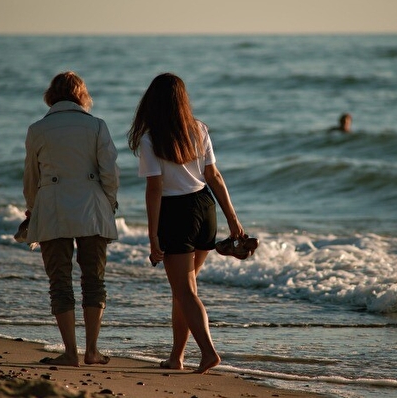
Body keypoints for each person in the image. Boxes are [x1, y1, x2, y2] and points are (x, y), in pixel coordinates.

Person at [128, 73, 245, 374]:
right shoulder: (199, 129)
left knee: (185, 291)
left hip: (176, 212)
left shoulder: (151, 138)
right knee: (184, 290)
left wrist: (152, 236)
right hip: (205, 209)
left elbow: (154, 189)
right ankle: (176, 357)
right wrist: (232, 219)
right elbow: (214, 176)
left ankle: (208, 352)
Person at [23, 71, 119, 367]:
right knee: (94, 280)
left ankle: (70, 352)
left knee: (60, 282)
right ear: (82, 96)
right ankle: (92, 351)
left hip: (52, 208)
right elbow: (110, 173)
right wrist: (110, 202)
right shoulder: (96, 126)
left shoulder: (38, 129)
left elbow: (31, 178)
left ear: (51, 96)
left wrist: (31, 209)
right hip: (91, 207)